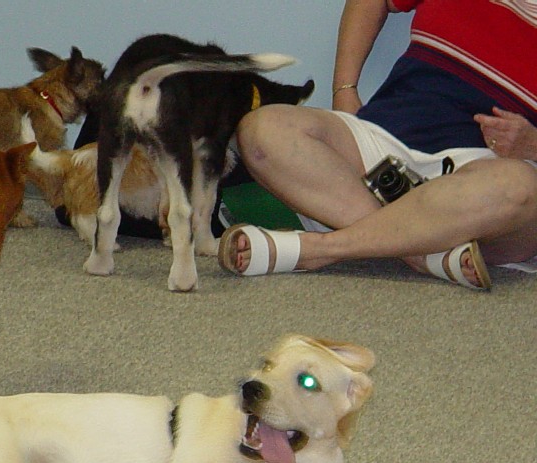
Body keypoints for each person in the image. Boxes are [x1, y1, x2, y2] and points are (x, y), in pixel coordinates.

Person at [218, 0, 537, 289]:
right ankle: (424, 253)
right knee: (262, 129)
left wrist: (532, 144)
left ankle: (321, 250)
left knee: (521, 188)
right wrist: (344, 89)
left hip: (479, 175)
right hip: (384, 136)